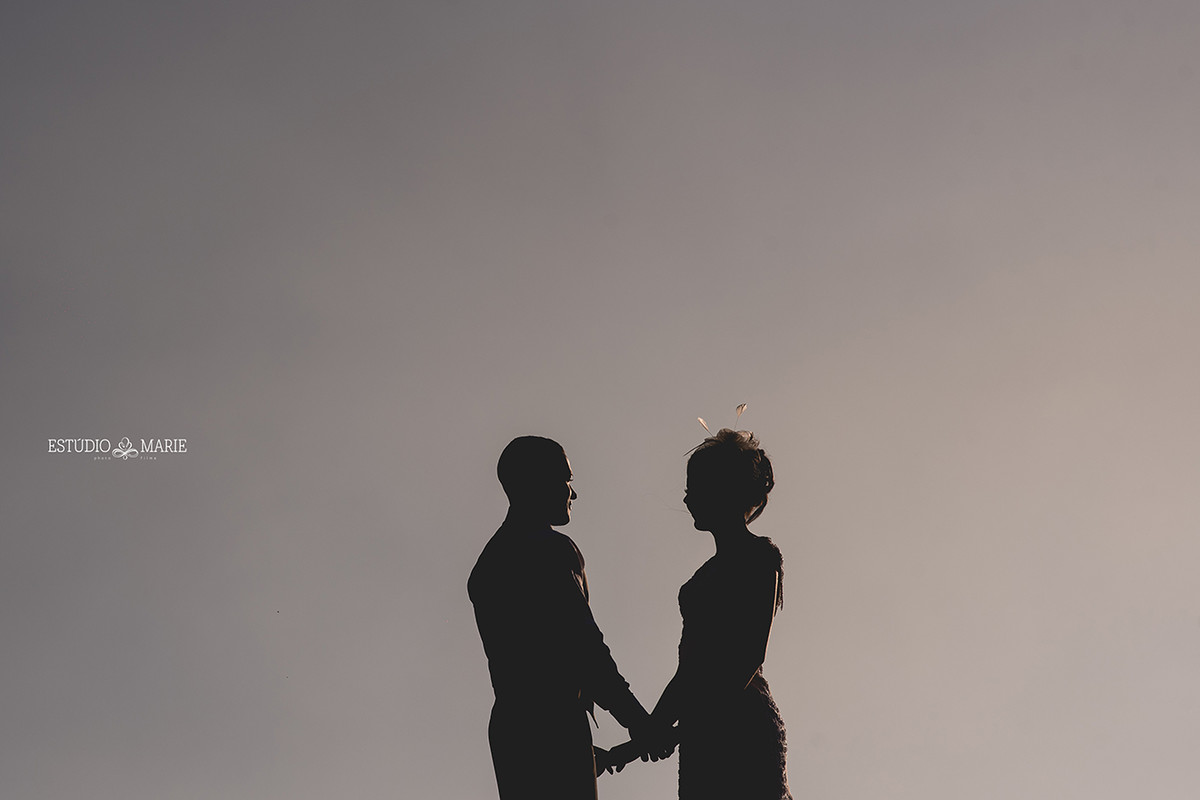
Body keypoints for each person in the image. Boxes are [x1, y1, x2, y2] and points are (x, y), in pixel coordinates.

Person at [468, 435, 655, 799]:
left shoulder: (486, 565)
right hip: (554, 723)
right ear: (539, 482)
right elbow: (585, 648)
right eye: (567, 480)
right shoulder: (550, 549)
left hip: (512, 729)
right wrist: (638, 721)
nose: (573, 493)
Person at [645, 428, 792, 799]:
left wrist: (684, 727)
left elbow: (747, 656)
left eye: (695, 486)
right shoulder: (702, 579)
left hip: (740, 729)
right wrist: (650, 732)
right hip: (703, 737)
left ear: (723, 490)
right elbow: (688, 670)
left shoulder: (759, 558)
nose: (686, 496)